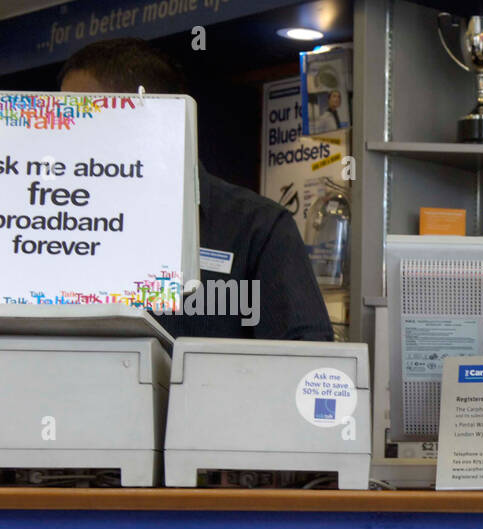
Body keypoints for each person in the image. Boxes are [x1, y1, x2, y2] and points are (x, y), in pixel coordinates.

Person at [59, 38, 333, 341]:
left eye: (81, 118)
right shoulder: (51, 225)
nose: (67, 133)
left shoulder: (256, 229)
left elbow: (305, 362)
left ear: (151, 118)